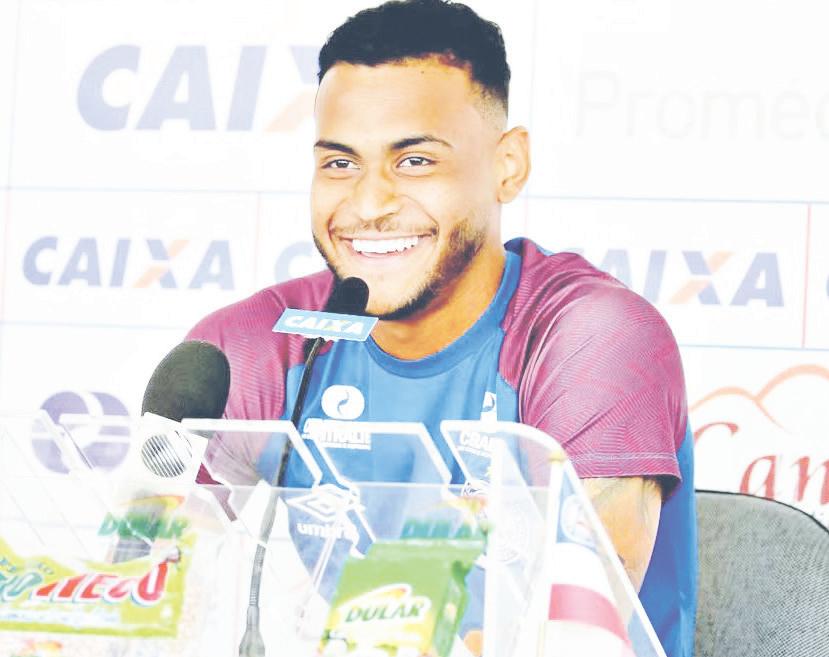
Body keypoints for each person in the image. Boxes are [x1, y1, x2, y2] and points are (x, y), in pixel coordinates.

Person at [186, 1, 696, 655]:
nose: (369, 204)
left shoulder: (592, 338)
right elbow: (151, 584)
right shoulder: (254, 345)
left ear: (507, 165)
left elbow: (576, 635)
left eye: (415, 161)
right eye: (341, 163)